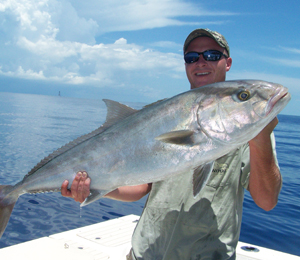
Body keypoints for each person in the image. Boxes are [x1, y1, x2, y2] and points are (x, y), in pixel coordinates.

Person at [61, 29, 282, 260]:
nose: (201, 62)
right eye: (192, 57)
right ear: (185, 65)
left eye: (212, 55)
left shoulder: (253, 131)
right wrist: (93, 187)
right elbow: (140, 188)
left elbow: (267, 201)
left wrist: (261, 136)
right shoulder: (162, 117)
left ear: (227, 63)